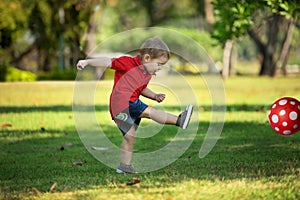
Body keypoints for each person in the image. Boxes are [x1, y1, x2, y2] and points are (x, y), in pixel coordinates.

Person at [76, 37, 193, 174]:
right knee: (145, 118)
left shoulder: (147, 73)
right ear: (147, 58)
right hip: (120, 104)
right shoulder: (127, 63)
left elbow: (141, 88)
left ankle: (124, 166)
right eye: (159, 64)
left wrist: (154, 95)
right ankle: (179, 120)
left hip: (133, 103)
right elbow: (107, 62)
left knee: (130, 136)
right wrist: (87, 61)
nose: (159, 69)